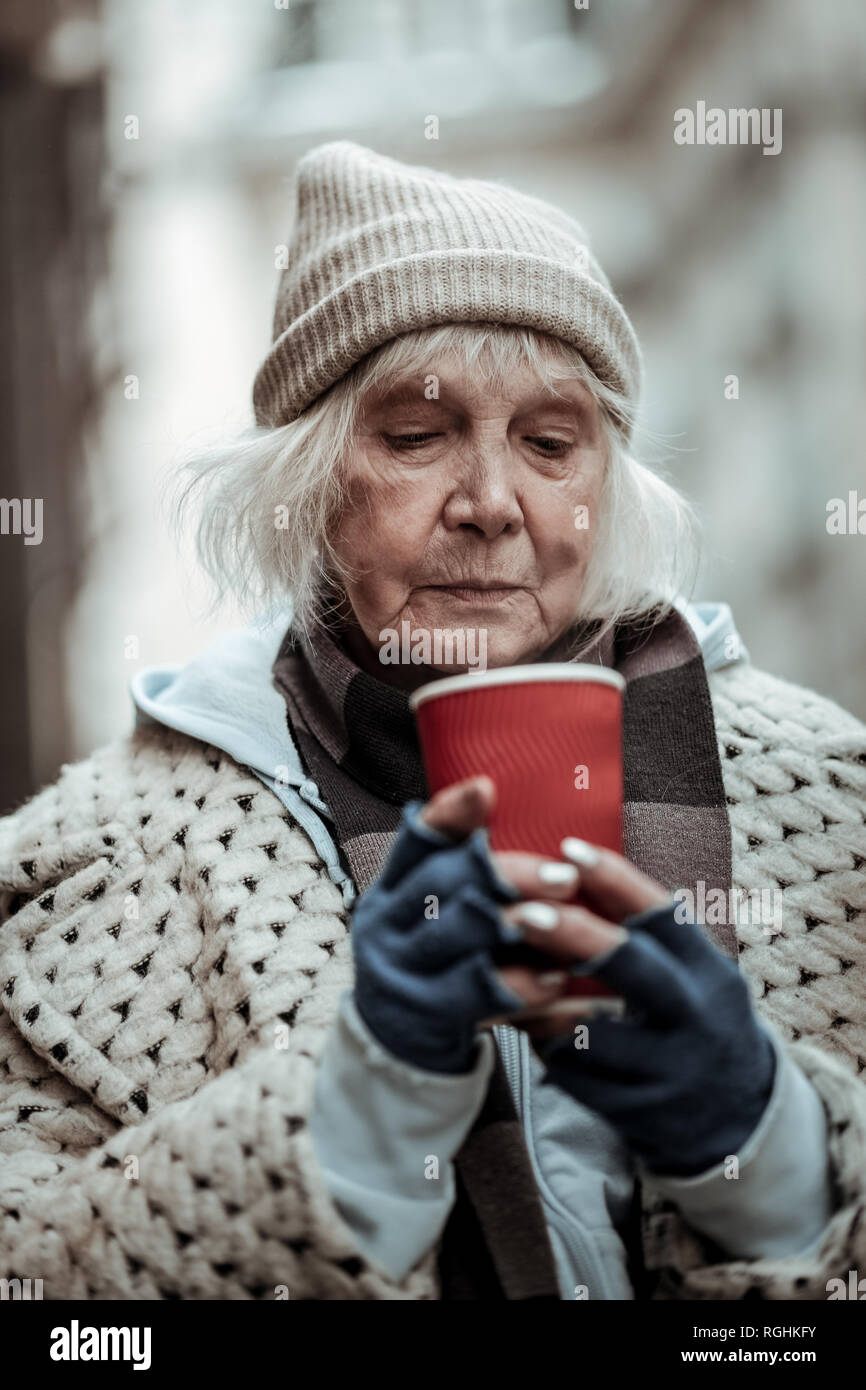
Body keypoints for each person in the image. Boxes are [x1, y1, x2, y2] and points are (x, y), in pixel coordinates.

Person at [2, 141, 865, 1301]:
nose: (492, 504)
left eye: (550, 445)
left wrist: (763, 1144)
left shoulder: (832, 793)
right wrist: (364, 1101)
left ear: (601, 486)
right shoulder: (95, 865)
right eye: (416, 437)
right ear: (306, 484)